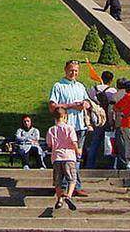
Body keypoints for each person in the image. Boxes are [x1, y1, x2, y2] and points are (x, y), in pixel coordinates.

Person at [48, 60, 89, 197]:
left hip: (80, 126)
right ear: (65, 70)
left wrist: (85, 104)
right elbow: (52, 106)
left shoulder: (80, 86)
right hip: (65, 127)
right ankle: (64, 187)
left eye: (76, 71)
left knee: (76, 157)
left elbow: (88, 102)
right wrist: (70, 105)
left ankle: (76, 186)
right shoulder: (58, 86)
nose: (74, 73)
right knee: (65, 158)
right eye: (71, 70)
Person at [46, 108, 80, 211]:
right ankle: (68, 196)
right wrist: (77, 150)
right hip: (69, 156)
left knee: (58, 181)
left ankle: (59, 199)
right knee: (72, 179)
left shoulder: (51, 129)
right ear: (65, 116)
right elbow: (73, 142)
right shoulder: (69, 128)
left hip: (56, 157)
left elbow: (49, 144)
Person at [85, 70, 117, 169]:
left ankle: (90, 165)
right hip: (108, 119)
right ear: (111, 80)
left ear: (101, 78)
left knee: (94, 143)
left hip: (97, 119)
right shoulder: (112, 91)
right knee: (110, 144)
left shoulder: (93, 89)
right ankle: (110, 166)